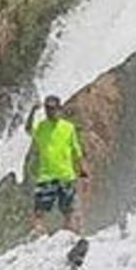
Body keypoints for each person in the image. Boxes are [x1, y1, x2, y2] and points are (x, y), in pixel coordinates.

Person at [25, 94, 90, 237]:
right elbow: (28, 129)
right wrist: (32, 112)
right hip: (46, 176)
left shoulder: (68, 128)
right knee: (39, 212)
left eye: (53, 109)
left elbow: (77, 151)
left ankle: (67, 238)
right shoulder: (42, 127)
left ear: (59, 109)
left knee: (69, 212)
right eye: (48, 109)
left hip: (66, 176)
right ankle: (38, 236)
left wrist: (84, 172)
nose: (50, 112)